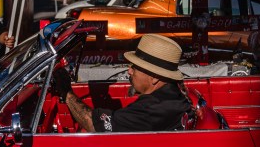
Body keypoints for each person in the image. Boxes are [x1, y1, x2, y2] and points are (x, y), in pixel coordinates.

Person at [55, 34, 192, 133]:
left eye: (135, 67)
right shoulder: (174, 95)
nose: (129, 71)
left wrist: (67, 93)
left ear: (154, 78)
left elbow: (94, 125)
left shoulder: (151, 109)